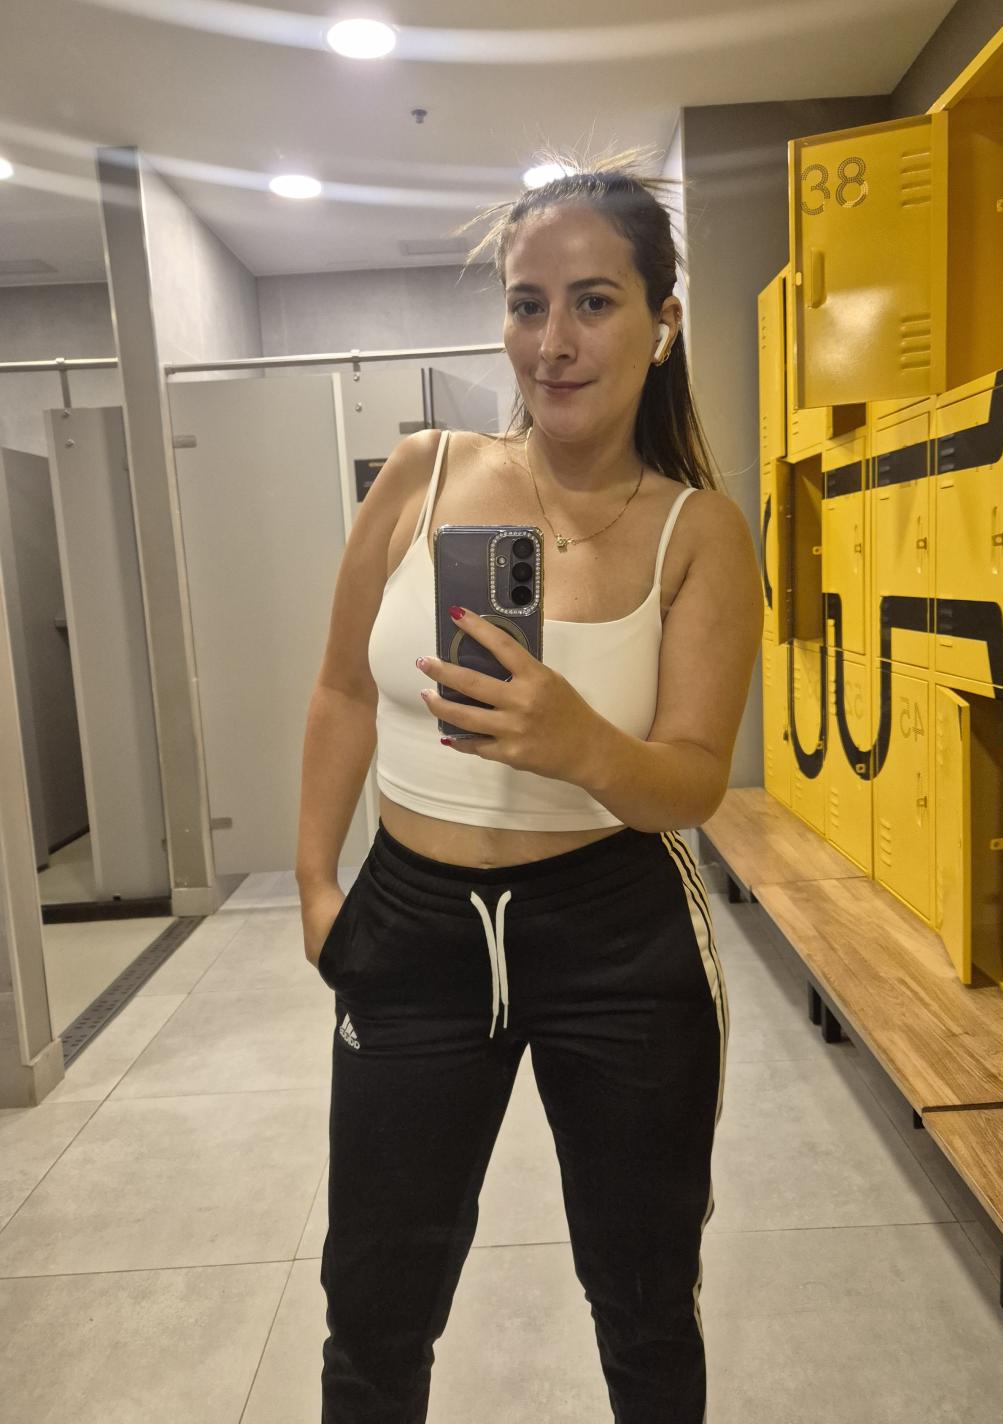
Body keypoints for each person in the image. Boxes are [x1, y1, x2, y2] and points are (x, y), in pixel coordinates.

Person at [295, 150, 763, 1423]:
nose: (552, 342)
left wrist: (578, 743)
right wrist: (319, 889)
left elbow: (692, 785)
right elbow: (340, 689)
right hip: (409, 929)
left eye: (594, 303)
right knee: (375, 1305)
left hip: (617, 937)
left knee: (645, 1300)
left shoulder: (699, 534)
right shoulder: (422, 475)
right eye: (526, 304)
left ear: (662, 323)